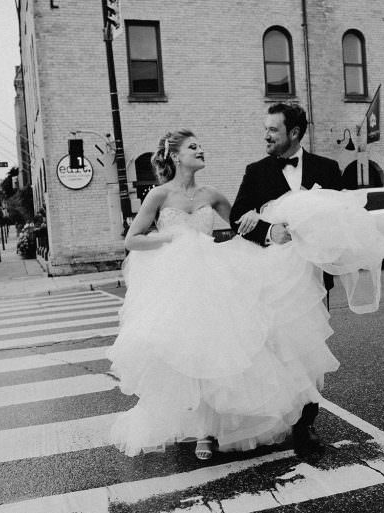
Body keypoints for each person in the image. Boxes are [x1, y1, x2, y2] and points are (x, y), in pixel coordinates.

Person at [107, 129, 343, 461]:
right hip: (176, 280)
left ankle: (209, 430)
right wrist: (173, 240)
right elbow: (133, 240)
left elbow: (240, 226)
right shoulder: (158, 195)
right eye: (193, 147)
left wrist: (256, 220)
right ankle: (201, 431)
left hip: (212, 275)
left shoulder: (212, 194)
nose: (201, 149)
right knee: (189, 351)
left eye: (200, 144)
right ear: (175, 156)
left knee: (216, 349)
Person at [229, 103, 344, 457]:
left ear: (294, 133)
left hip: (312, 280)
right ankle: (278, 416)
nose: (266, 135)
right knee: (280, 351)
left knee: (309, 351)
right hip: (274, 280)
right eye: (266, 129)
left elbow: (342, 218)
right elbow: (237, 217)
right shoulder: (256, 171)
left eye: (273, 130)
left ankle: (305, 425)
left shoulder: (329, 168)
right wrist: (269, 229)